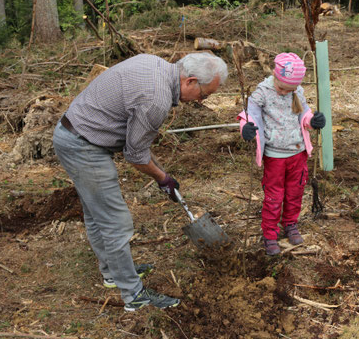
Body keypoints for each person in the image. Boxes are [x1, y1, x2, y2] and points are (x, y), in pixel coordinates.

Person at [52, 52, 228, 310]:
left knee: (96, 213)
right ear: (190, 81)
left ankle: (112, 271)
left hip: (74, 133)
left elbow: (138, 138)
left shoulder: (155, 65)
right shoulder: (156, 100)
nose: (200, 101)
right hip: (84, 146)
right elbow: (134, 156)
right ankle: (134, 296)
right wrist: (161, 177)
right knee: (116, 222)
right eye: (204, 95)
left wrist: (162, 172)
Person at [237, 53, 326, 255]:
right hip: (275, 157)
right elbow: (249, 113)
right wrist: (245, 128)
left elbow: (304, 114)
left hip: (297, 153)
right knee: (274, 196)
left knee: (295, 192)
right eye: (281, 87)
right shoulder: (263, 92)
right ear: (275, 76)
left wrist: (313, 121)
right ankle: (270, 233)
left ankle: (290, 224)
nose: (285, 92)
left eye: (289, 90)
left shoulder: (297, 91)